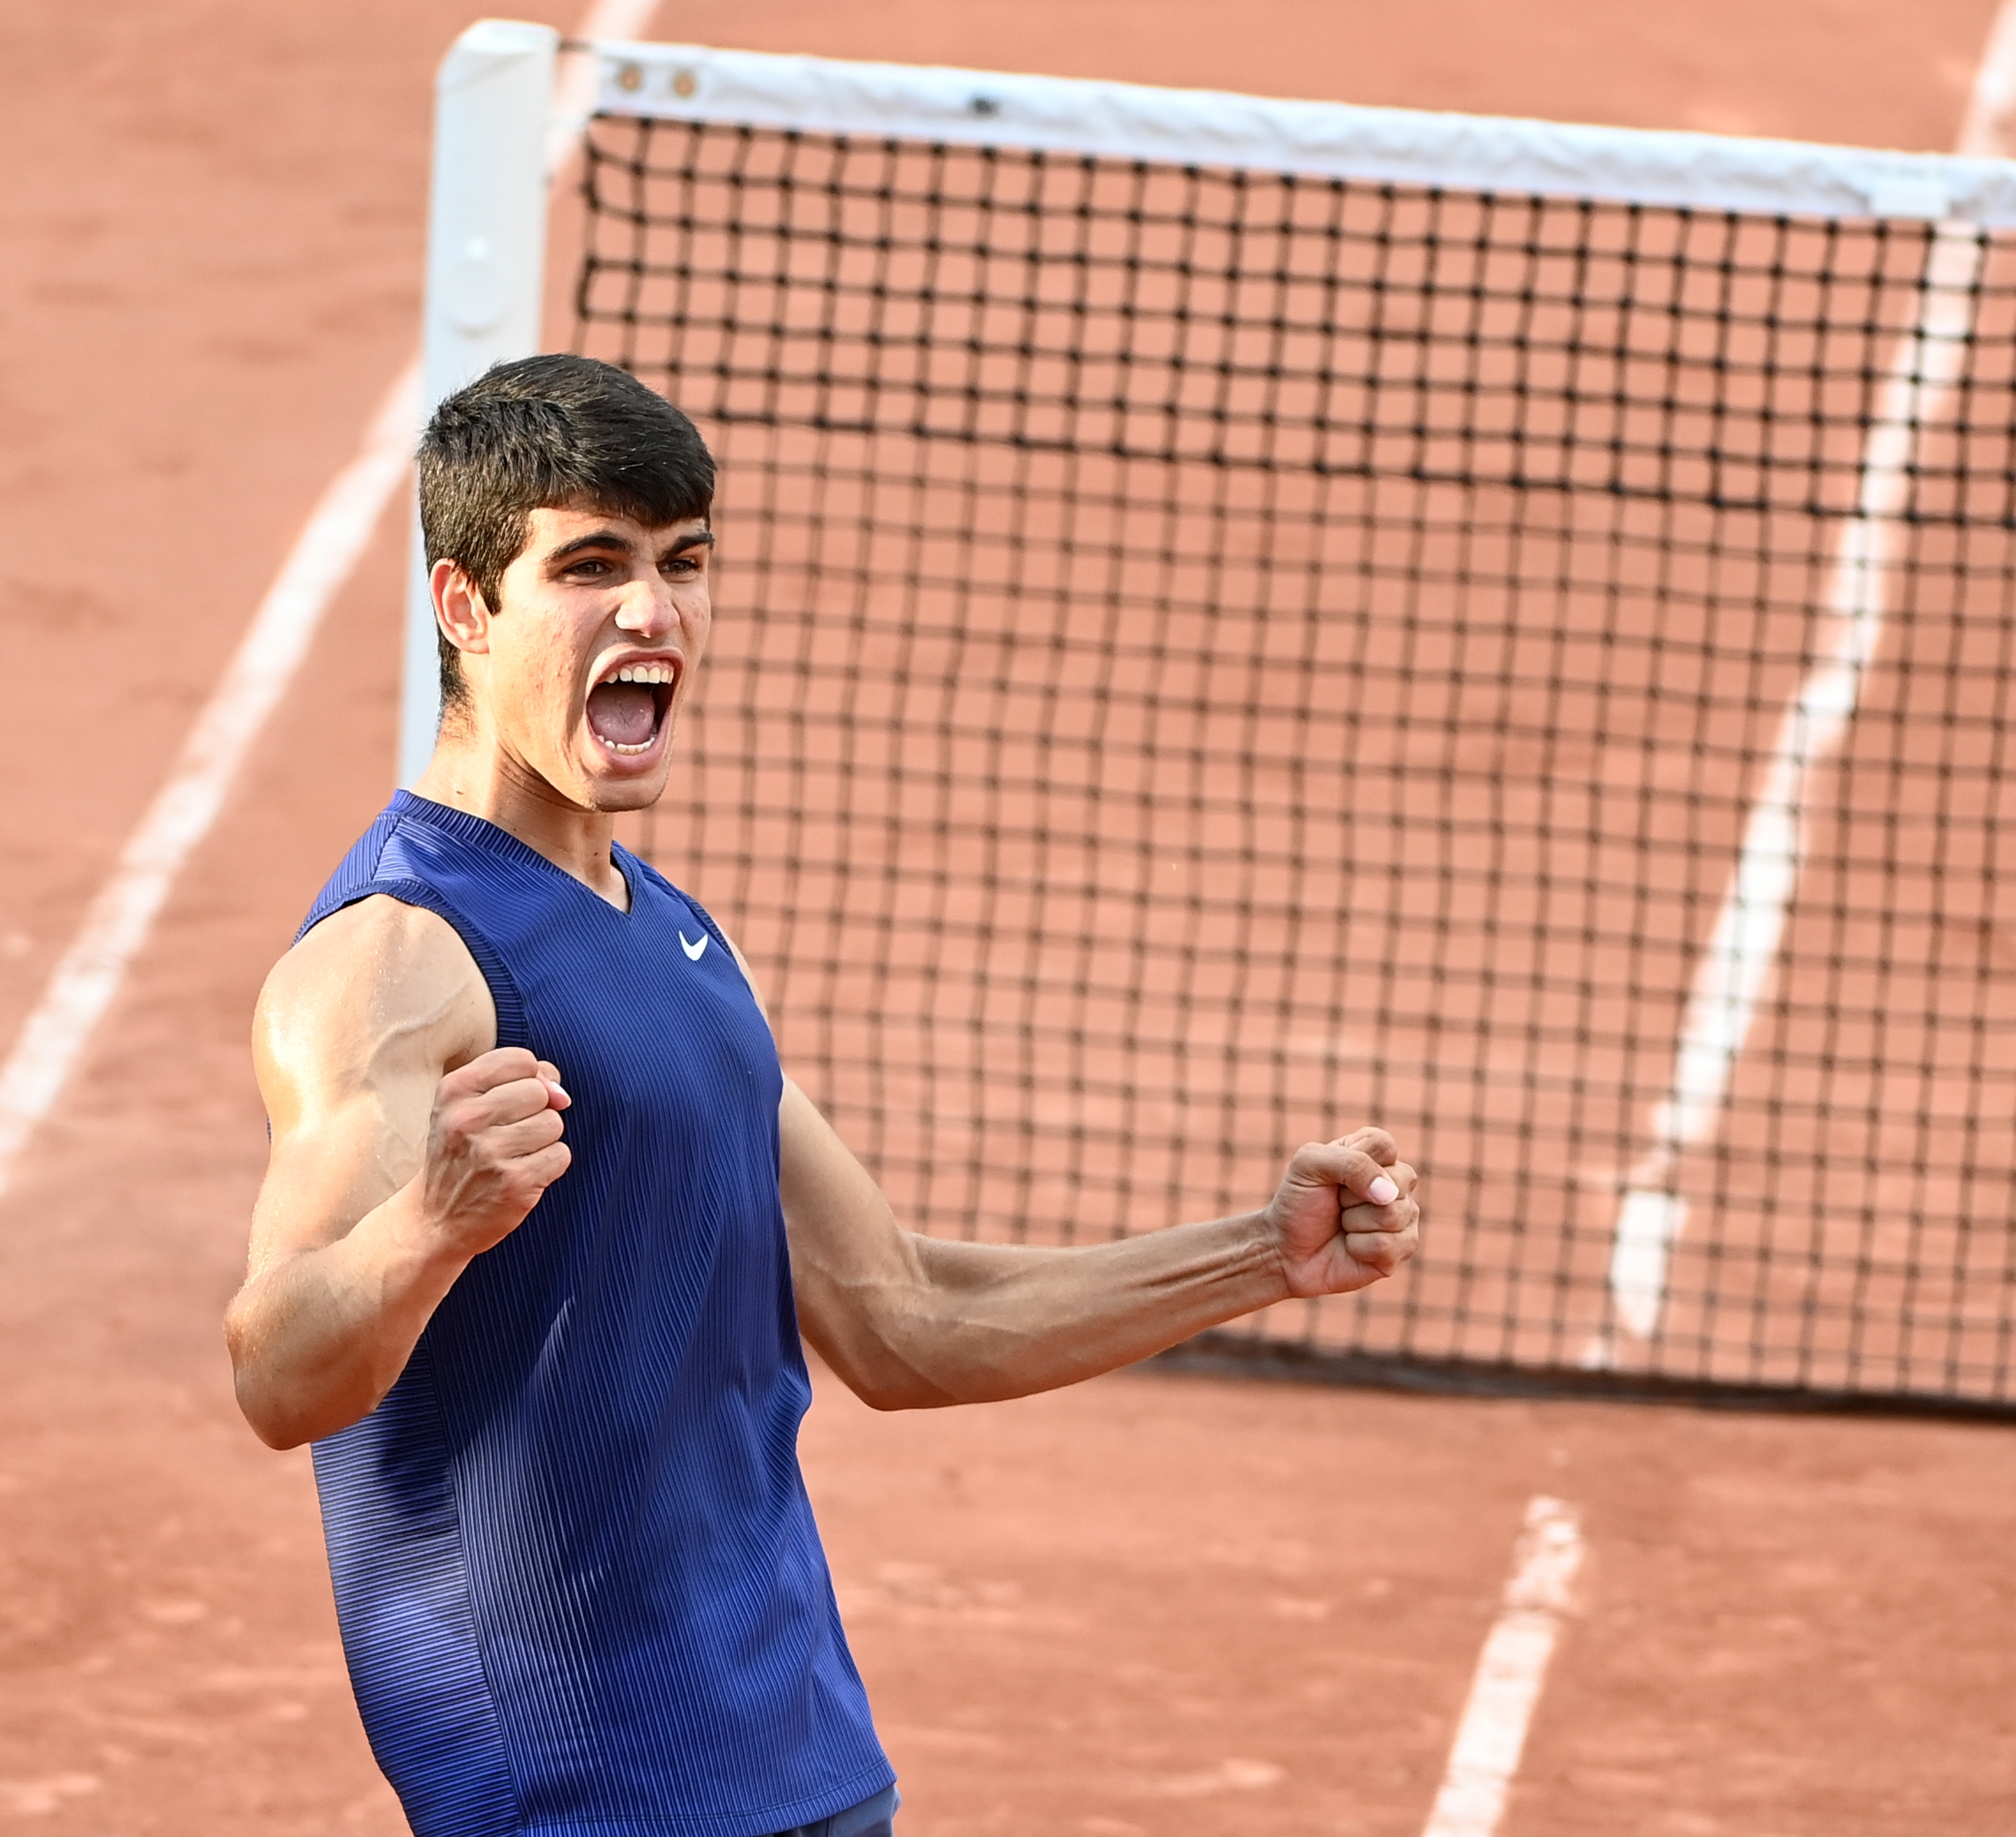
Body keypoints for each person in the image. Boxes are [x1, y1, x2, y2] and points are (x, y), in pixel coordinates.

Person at [225, 354, 1422, 1837]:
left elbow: (906, 1316)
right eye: (591, 567)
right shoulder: (396, 959)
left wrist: (1258, 1252)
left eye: (683, 563)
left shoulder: (668, 929)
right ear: (465, 606)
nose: (653, 612)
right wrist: (429, 1224)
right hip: (585, 1796)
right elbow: (277, 1372)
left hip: (797, 1755)